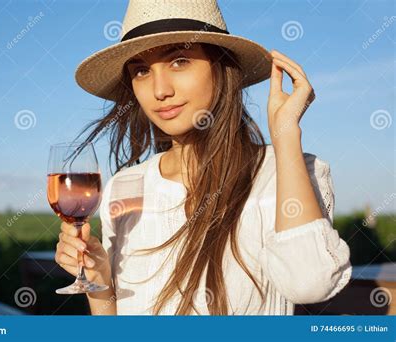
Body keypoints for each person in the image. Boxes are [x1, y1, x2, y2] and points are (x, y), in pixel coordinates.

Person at [55, 0, 352, 315]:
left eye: (179, 61)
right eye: (141, 70)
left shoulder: (282, 173)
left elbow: (310, 284)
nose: (159, 90)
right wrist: (100, 280)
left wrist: (286, 135)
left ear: (220, 67)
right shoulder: (125, 186)